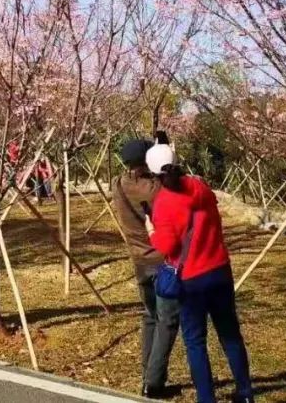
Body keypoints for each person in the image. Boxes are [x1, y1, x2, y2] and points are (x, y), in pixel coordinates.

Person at [144, 144, 255, 403]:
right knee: (230, 334)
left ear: (154, 174)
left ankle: (207, 399)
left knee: (195, 341)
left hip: (191, 279)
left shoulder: (164, 203)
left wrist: (151, 230)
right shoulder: (200, 187)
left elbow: (168, 246)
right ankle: (246, 393)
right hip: (219, 269)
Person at [111, 138, 179, 399]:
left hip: (139, 260)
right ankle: (153, 382)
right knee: (168, 320)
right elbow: (169, 184)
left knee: (150, 315)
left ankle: (147, 371)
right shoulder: (154, 189)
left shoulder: (118, 184)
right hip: (161, 260)